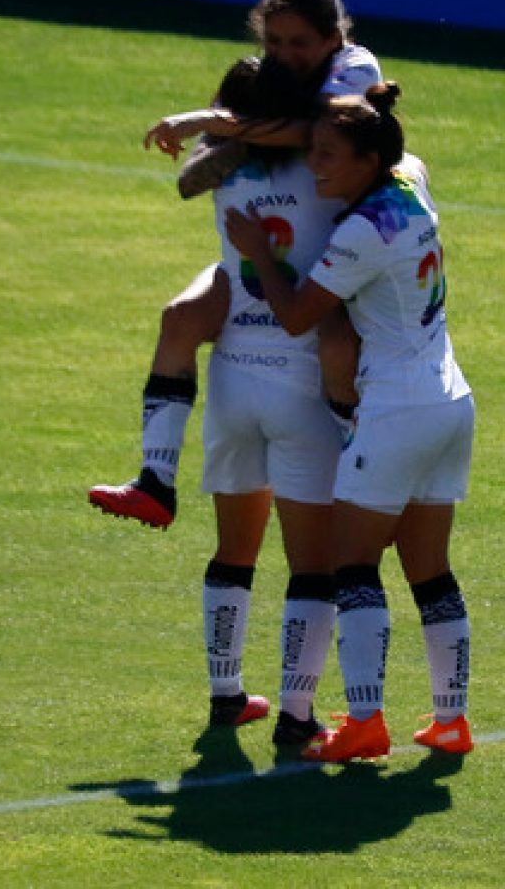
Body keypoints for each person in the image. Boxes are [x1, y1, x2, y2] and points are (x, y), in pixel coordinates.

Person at [225, 85, 474, 761]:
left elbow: (300, 314)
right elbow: (406, 151)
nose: (316, 168)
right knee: (429, 568)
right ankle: (451, 720)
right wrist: (359, 109)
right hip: (450, 402)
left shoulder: (364, 231)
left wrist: (258, 249)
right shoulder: (408, 179)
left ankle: (364, 723)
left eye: (330, 156)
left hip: (395, 411)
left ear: (368, 159)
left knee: (350, 562)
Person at [90, 0, 380, 530]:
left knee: (338, 347)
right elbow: (193, 175)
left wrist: (220, 125)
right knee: (180, 318)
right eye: (273, 41)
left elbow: (315, 130)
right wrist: (230, 138)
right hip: (257, 256)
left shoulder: (357, 67)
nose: (284, 54)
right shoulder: (251, 79)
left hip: (336, 255)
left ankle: (361, 465)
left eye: (299, 43)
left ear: (333, 38)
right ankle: (155, 482)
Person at [153, 57, 345, 743]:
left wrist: (215, 130)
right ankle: (297, 714)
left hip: (233, 381)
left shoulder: (227, 174)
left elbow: (192, 174)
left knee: (233, 553)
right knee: (312, 568)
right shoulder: (325, 167)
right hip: (302, 389)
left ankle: (225, 696)